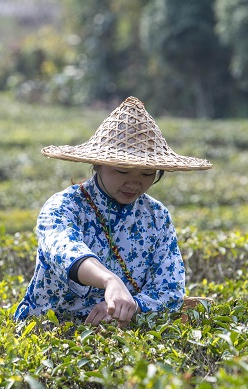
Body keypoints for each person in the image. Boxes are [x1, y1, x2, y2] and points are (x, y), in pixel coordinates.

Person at [15, 96, 212, 328]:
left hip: (119, 336)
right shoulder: (63, 207)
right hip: (51, 332)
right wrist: (110, 281)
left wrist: (130, 307)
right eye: (122, 171)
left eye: (147, 174)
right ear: (98, 164)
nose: (134, 183)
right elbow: (64, 251)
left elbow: (170, 289)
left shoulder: (157, 216)